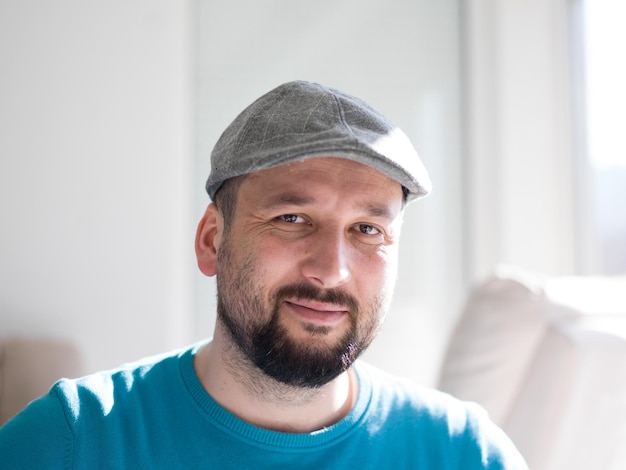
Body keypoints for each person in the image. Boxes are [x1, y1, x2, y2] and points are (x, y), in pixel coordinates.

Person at [0, 80, 528, 469]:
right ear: (212, 240)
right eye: (292, 219)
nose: (331, 269)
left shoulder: (465, 453)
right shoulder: (73, 441)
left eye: (368, 230)